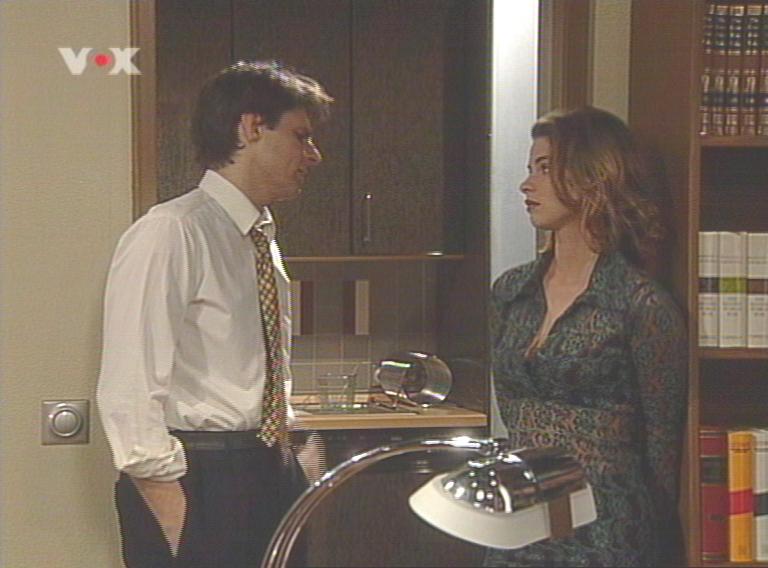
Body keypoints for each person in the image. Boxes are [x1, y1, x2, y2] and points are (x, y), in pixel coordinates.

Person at [97, 60, 332, 568]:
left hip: (265, 470)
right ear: (251, 128)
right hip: (201, 480)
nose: (313, 155)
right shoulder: (172, 231)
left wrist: (291, 458)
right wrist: (178, 522)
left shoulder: (259, 238)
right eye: (301, 136)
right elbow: (129, 390)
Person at [487, 106, 687, 567]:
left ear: (590, 177)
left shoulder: (638, 304)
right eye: (529, 168)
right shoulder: (511, 292)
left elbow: (661, 444)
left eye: (544, 168)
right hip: (521, 516)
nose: (526, 184)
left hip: (608, 527)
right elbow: (511, 408)